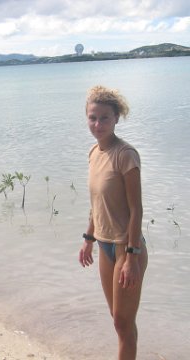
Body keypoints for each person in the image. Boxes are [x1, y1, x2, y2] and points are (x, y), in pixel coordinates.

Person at [79, 85, 148, 360]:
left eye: (105, 118)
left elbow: (136, 209)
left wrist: (132, 256)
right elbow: (97, 203)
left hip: (125, 249)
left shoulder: (126, 155)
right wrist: (88, 238)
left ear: (116, 118)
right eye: (93, 118)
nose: (98, 124)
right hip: (104, 247)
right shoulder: (93, 153)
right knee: (119, 320)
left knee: (123, 322)